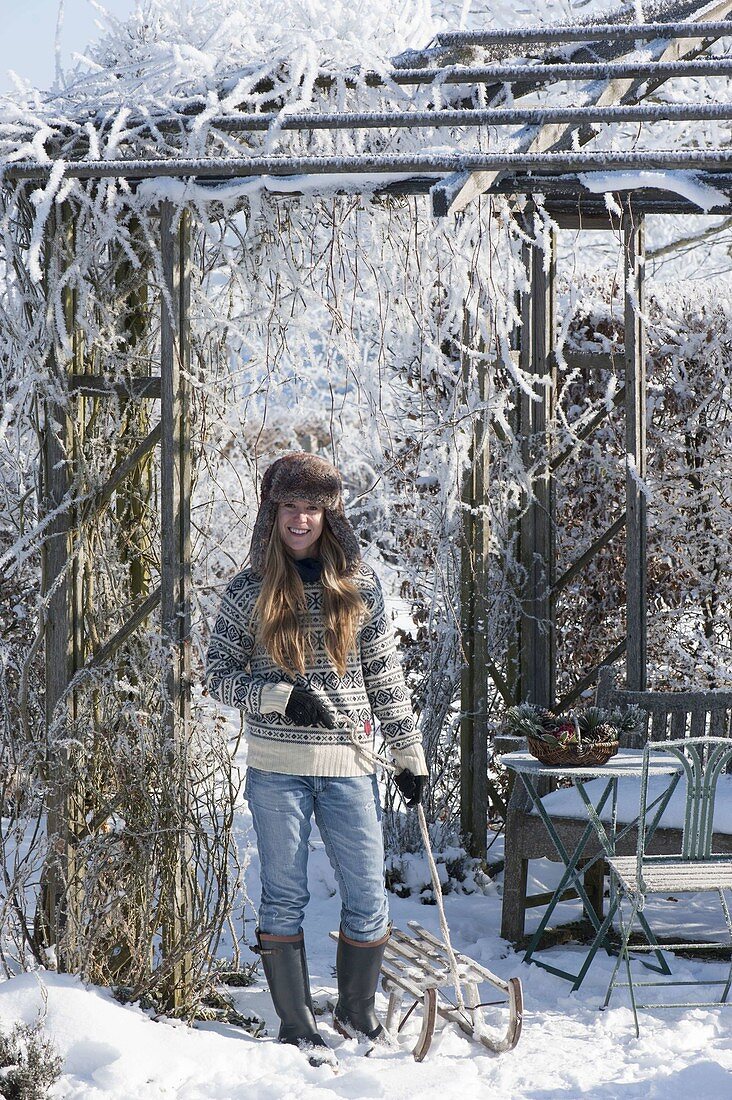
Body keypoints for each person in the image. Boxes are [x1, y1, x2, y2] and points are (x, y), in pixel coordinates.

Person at [205, 451, 428, 1062]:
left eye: (313, 508)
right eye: (290, 507)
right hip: (277, 771)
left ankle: (357, 1014)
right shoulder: (247, 591)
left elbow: (382, 671)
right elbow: (217, 676)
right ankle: (297, 1022)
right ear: (271, 512)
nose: (301, 520)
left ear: (331, 515)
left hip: (350, 766)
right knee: (284, 895)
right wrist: (277, 696)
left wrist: (407, 751)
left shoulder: (361, 586)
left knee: (367, 894)